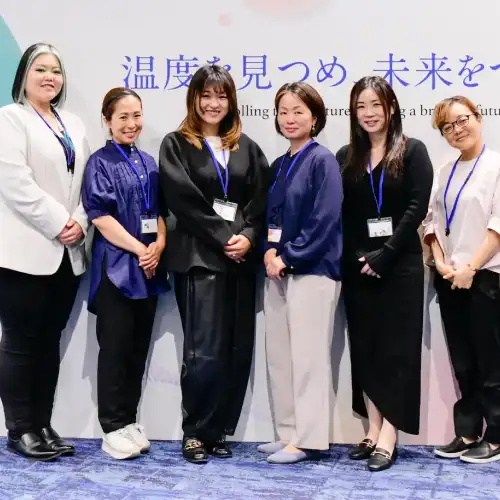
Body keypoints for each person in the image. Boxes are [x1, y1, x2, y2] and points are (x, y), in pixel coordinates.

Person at [158, 64, 269, 463]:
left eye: (221, 96)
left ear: (231, 101)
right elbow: (183, 199)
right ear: (194, 98)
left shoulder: (246, 147)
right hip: (199, 260)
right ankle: (195, 432)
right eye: (205, 95)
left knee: (236, 349)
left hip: (240, 261)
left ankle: (219, 429)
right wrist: (225, 237)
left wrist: (249, 237)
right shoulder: (176, 144)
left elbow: (261, 199)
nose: (213, 103)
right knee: (202, 351)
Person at [336, 76, 433, 472]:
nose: (369, 113)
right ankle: (372, 428)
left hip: (400, 265)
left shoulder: (413, 150)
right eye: (361, 106)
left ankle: (390, 434)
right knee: (365, 348)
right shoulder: (346, 156)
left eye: (376, 104)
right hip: (359, 266)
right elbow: (344, 214)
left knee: (396, 350)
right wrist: (360, 256)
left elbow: (416, 208)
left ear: (390, 107)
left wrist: (386, 254)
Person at [0, 43, 89, 461]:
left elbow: (88, 183)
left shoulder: (74, 123)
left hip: (68, 255)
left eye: (56, 70)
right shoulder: (10, 119)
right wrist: (60, 222)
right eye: (40, 69)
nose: (49, 77)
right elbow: (15, 184)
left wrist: (81, 222)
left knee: (49, 341)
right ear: (24, 75)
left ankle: (42, 423)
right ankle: (20, 429)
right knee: (20, 343)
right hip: (24, 253)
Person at [257, 82, 342, 464]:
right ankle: (288, 432)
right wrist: (268, 251)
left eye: (298, 111)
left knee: (308, 358)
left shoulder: (323, 160)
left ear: (315, 117)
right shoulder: (279, 164)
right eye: (283, 112)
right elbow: (271, 218)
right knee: (281, 356)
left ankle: (309, 439)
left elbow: (324, 219)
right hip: (278, 271)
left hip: (312, 272)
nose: (290, 119)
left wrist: (288, 256)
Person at [82, 88, 167, 460]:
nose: (132, 124)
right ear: (107, 120)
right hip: (116, 269)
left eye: (137, 115)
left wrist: (159, 245)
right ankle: (111, 427)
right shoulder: (99, 163)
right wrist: (140, 249)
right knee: (115, 350)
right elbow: (100, 217)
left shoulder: (148, 161)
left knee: (136, 350)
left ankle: (129, 421)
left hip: (148, 270)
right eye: (123, 117)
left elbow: (160, 212)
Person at [423, 96, 500, 464]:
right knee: (463, 362)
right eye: (447, 126)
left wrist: (471, 267)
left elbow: (497, 225)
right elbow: (432, 223)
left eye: (462, 120)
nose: (456, 129)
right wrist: (440, 262)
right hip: (451, 278)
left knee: (491, 361)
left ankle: (496, 436)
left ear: (478, 118)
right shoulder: (444, 172)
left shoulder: (496, 166)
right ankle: (468, 431)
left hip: (486, 278)